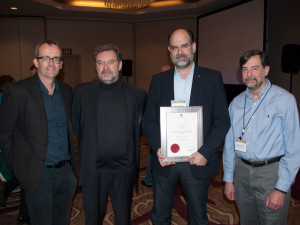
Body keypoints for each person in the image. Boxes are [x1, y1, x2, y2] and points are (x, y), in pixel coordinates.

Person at [142, 28, 230, 224]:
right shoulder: (158, 81)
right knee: (160, 215)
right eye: (174, 47)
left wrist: (206, 152)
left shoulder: (212, 78)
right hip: (165, 160)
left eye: (184, 46)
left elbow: (222, 121)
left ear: (194, 47)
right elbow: (148, 120)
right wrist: (158, 147)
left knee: (198, 217)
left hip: (197, 161)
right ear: (169, 50)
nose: (179, 51)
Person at [0, 40, 78, 225]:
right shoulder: (18, 91)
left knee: (62, 220)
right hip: (37, 176)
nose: (51, 63)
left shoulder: (66, 91)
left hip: (66, 174)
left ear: (61, 64)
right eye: (46, 58)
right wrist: (19, 168)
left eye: (56, 58)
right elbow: (4, 133)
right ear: (36, 62)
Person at [223, 50, 300, 225]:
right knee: (247, 221)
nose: (249, 74)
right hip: (241, 173)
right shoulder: (235, 103)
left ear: (266, 70)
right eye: (244, 69)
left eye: (254, 68)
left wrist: (281, 188)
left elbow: (294, 148)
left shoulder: (285, 101)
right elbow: (229, 145)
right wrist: (228, 179)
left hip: (270, 174)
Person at [72, 43, 146, 225]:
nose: (105, 67)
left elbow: (141, 128)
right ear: (95, 66)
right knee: (92, 220)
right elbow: (77, 125)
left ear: (119, 65)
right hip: (94, 169)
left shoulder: (137, 94)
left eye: (110, 62)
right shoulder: (82, 93)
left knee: (123, 219)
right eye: (100, 62)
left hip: (124, 170)